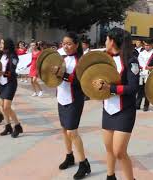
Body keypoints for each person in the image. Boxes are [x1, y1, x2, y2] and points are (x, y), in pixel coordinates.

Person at [92, 27, 139, 180]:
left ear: (112, 41)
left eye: (106, 39)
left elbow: (133, 88)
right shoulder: (104, 58)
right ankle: (110, 176)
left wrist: (110, 88)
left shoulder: (131, 60)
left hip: (125, 110)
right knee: (109, 149)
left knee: (119, 151)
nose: (105, 42)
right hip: (108, 109)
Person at [52, 32, 91, 179]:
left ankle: (84, 163)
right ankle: (69, 156)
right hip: (61, 98)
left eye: (69, 44)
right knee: (64, 130)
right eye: (64, 43)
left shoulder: (81, 61)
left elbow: (79, 81)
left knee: (72, 132)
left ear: (76, 45)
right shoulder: (61, 58)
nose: (66, 46)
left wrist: (61, 74)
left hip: (74, 99)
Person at [0, 38, 23, 138]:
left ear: (7, 44)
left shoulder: (13, 56)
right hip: (2, 82)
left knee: (6, 107)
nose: (0, 44)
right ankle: (8, 126)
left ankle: (17, 126)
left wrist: (3, 73)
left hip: (10, 83)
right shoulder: (2, 55)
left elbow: (13, 72)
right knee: (3, 106)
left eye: (2, 43)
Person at [136, 39, 153, 111]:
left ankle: (146, 105)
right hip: (142, 73)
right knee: (140, 89)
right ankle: (137, 104)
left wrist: (151, 68)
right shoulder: (141, 53)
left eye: (148, 45)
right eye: (145, 45)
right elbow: (138, 62)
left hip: (150, 74)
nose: (146, 47)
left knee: (147, 90)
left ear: (152, 45)